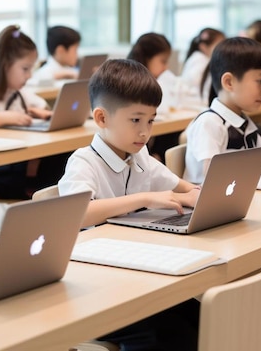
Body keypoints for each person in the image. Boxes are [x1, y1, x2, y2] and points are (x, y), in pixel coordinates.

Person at [58, 58, 201, 350]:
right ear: (102, 119)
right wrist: (146, 198)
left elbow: (181, 187)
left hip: (134, 273)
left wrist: (195, 195)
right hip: (93, 287)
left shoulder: (139, 155)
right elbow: (79, 214)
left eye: (150, 120)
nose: (145, 132)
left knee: (196, 314)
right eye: (135, 120)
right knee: (157, 333)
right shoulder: (83, 162)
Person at [183, 37, 261, 185]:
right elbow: (212, 173)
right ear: (229, 82)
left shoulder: (245, 124)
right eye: (260, 81)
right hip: (209, 205)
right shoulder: (209, 123)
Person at [0, 25, 59, 199]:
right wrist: (2, 117)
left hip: (18, 162)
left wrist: (39, 112)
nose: (29, 75)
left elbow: (42, 106)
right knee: (57, 165)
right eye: (25, 69)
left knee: (64, 157)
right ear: (4, 65)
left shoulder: (17, 91)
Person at [127, 32, 179, 162]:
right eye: (163, 61)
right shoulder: (130, 83)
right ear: (147, 58)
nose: (166, 67)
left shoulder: (151, 81)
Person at [181, 28, 225, 101]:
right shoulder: (200, 60)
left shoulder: (200, 58)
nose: (223, 49)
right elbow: (195, 87)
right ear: (203, 47)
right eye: (219, 45)